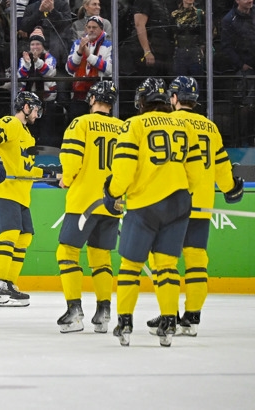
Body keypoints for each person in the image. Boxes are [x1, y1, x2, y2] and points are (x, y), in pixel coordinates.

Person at [102, 78, 200, 346]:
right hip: (180, 202)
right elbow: (195, 172)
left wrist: (112, 191)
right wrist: (180, 192)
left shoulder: (134, 124)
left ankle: (124, 322)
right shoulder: (183, 124)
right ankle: (169, 321)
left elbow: (123, 170)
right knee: (167, 266)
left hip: (145, 204)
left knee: (130, 266)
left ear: (142, 101)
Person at [166, 75, 242, 337]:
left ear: (174, 98)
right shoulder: (210, 127)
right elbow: (223, 169)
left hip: (173, 201)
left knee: (166, 261)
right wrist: (232, 188)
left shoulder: (169, 122)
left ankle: (169, 315)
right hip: (202, 203)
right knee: (197, 260)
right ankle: (192, 317)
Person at [55, 79, 128, 334]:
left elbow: (72, 158)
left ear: (92, 100)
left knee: (67, 253)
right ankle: (104, 312)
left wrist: (66, 177)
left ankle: (75, 312)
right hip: (112, 202)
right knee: (101, 257)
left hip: (84, 202)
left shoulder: (81, 123)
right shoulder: (124, 127)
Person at [0, 91, 51, 309]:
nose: (38, 114)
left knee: (25, 236)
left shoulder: (27, 136)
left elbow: (23, 169)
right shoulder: (11, 123)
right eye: (36, 108)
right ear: (26, 107)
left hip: (20, 193)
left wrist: (47, 176)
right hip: (5, 190)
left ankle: (7, 282)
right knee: (9, 234)